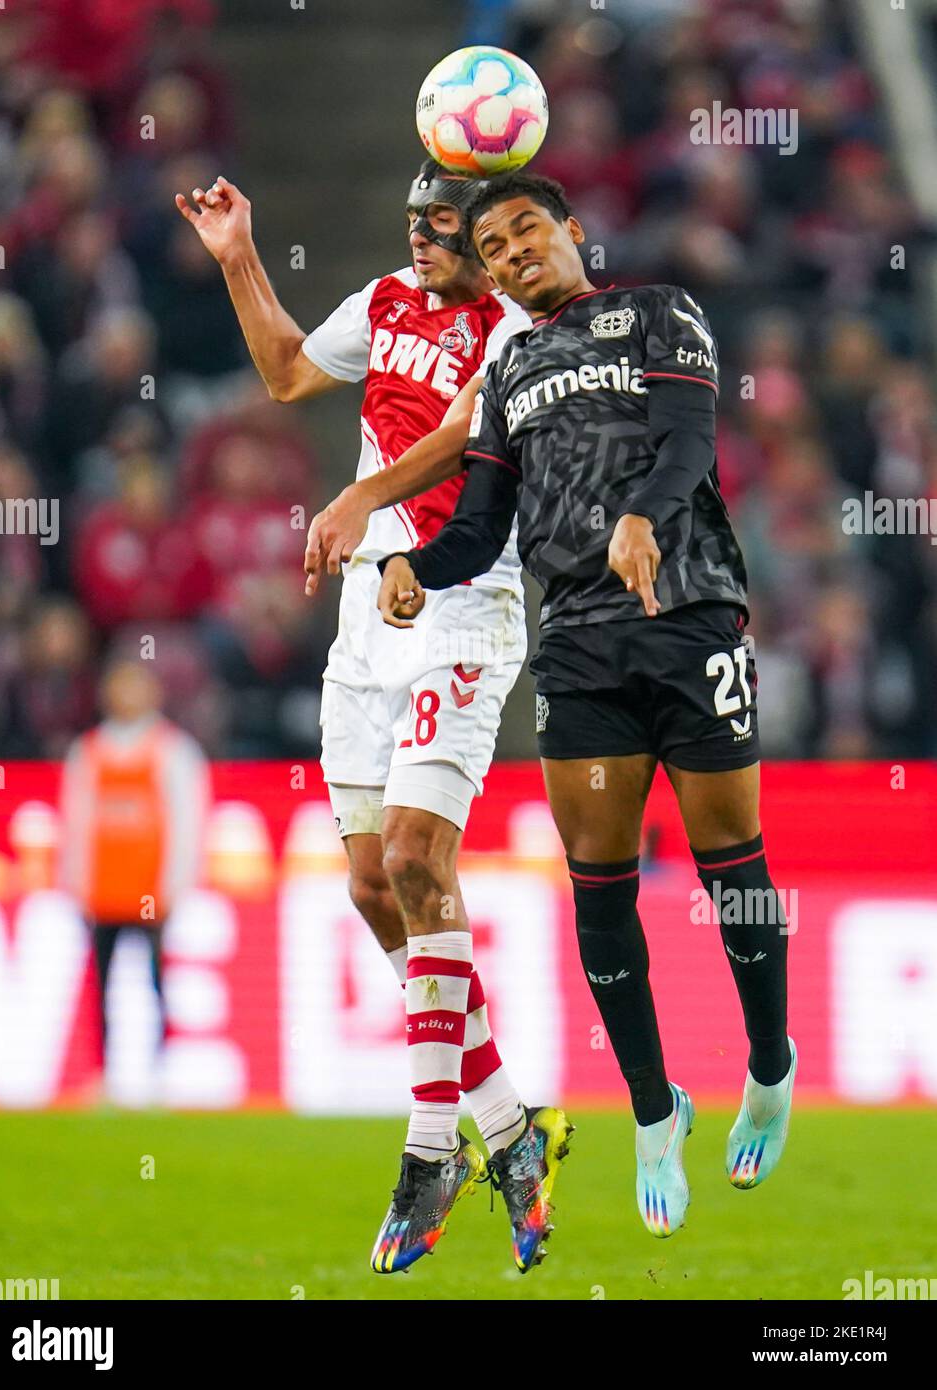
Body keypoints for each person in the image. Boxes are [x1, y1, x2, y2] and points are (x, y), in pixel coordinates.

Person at [374, 171, 796, 1239]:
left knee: (728, 858)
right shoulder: (510, 366)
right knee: (601, 890)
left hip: (688, 611)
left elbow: (689, 444)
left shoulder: (659, 310)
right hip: (578, 648)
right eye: (496, 246)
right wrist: (419, 562)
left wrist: (644, 517)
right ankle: (655, 1113)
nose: (514, 252)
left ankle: (771, 1062)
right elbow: (482, 524)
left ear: (571, 231)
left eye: (528, 231)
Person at [176, 162, 572, 1274]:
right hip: (367, 620)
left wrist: (361, 498)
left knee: (413, 857)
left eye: (443, 225)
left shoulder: (511, 326)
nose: (423, 240)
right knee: (366, 881)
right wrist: (240, 258)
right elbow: (293, 371)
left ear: (481, 233)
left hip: (460, 601)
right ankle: (511, 1132)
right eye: (415, 223)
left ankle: (430, 1146)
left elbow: (459, 435)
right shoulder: (387, 300)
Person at [60, 658, 210, 1079]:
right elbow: (75, 824)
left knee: (156, 980)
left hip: (152, 892)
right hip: (103, 893)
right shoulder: (87, 752)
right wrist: (75, 884)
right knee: (101, 985)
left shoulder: (173, 750)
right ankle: (104, 1071)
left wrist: (176, 884)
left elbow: (187, 822)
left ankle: (161, 1069)